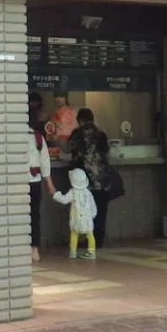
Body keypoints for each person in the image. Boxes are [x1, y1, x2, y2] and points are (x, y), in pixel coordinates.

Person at [68, 108, 111, 251]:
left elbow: (71, 153)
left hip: (84, 182)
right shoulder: (102, 135)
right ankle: (98, 241)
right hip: (101, 180)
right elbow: (106, 154)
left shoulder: (77, 135)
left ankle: (86, 240)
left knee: (83, 211)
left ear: (79, 120)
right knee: (100, 212)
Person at [26, 99, 53, 262]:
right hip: (34, 182)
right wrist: (50, 184)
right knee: (34, 216)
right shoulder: (38, 137)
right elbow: (45, 162)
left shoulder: (11, 136)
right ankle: (34, 250)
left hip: (15, 184)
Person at [51, 168, 98, 259]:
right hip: (87, 219)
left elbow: (64, 200)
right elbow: (93, 206)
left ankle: (73, 252)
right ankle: (91, 252)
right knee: (90, 234)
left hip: (76, 218)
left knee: (74, 233)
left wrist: (56, 195)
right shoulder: (88, 193)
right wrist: (92, 215)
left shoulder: (72, 192)